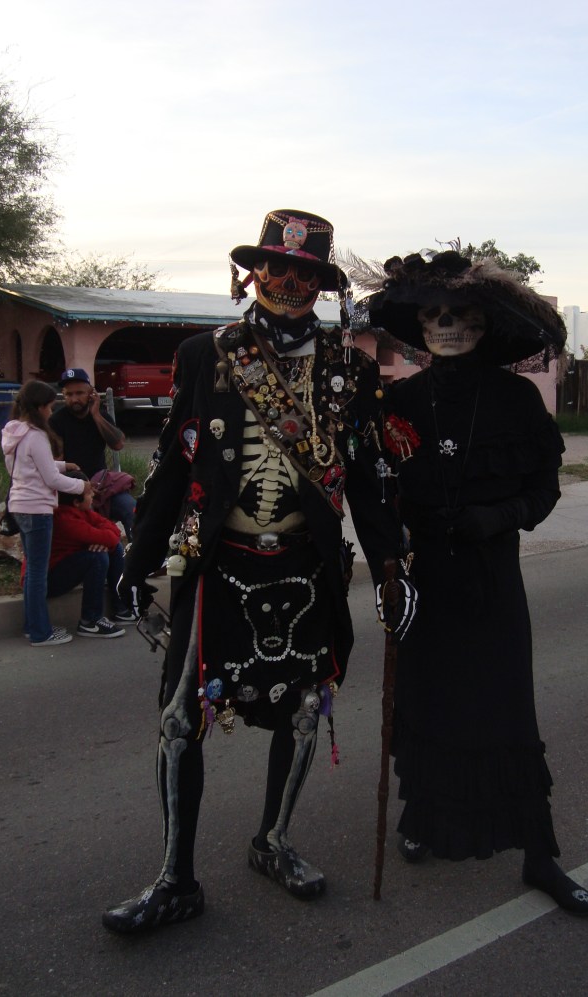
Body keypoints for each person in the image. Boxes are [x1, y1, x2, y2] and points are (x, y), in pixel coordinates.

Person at [102, 209, 411, 934]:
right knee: (181, 722)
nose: (288, 279)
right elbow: (174, 464)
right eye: (276, 266)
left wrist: (393, 561)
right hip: (219, 567)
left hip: (306, 568)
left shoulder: (351, 369)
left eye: (305, 271)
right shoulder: (206, 355)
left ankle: (272, 839)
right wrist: (137, 562)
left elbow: (367, 479)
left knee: (305, 711)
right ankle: (176, 877)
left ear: (323, 283)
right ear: (254, 271)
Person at [356, 248, 588, 915]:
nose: (448, 326)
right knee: (429, 703)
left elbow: (543, 488)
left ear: (484, 322)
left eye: (460, 314)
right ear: (420, 326)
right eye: (434, 315)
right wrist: (388, 554)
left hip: (494, 583)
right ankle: (421, 818)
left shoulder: (517, 400)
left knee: (505, 711)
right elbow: (374, 488)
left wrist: (502, 515)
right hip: (424, 581)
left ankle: (539, 854)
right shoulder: (397, 400)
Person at [1, 380, 90, 646]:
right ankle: (42, 632)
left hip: (19, 505)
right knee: (38, 574)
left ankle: (33, 626)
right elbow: (50, 479)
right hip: (37, 509)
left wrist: (64, 465)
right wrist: (81, 484)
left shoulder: (14, 431)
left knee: (32, 572)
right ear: (40, 407)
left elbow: (29, 465)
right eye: (50, 407)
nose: (52, 412)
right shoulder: (36, 435)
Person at [49, 368, 137, 541]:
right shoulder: (56, 421)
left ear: (91, 393)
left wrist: (96, 415)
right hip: (71, 489)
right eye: (69, 394)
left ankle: (137, 559)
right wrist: (81, 486)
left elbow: (118, 444)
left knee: (132, 510)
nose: (74, 399)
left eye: (80, 393)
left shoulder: (101, 416)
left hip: (101, 485)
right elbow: (55, 462)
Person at [40, 470, 129, 638]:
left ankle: (121, 608)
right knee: (97, 558)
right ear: (76, 502)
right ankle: (90, 620)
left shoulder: (84, 511)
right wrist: (104, 541)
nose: (93, 495)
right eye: (89, 493)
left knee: (114, 548)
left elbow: (113, 530)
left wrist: (105, 542)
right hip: (49, 579)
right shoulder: (65, 519)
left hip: (68, 564)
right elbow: (106, 534)